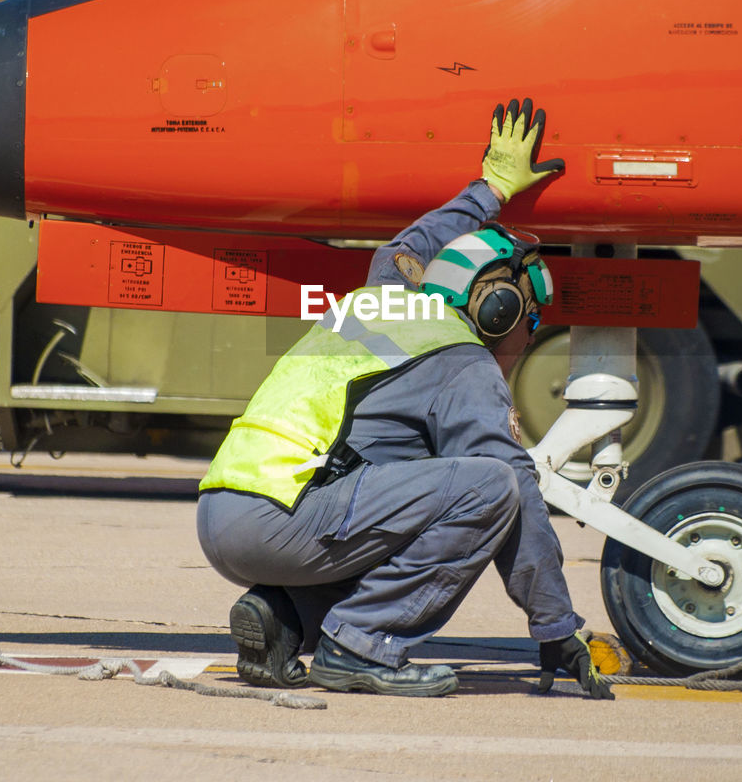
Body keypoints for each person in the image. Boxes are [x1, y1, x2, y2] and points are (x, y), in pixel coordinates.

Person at [196, 98, 612, 699]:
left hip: (225, 512)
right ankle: (360, 645)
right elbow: (515, 487)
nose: (529, 337)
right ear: (500, 313)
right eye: (531, 321)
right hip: (282, 522)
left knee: (411, 499)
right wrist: (553, 626)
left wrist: (490, 188)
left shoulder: (386, 294)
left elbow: (414, 242)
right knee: (486, 488)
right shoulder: (460, 361)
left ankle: (285, 619)